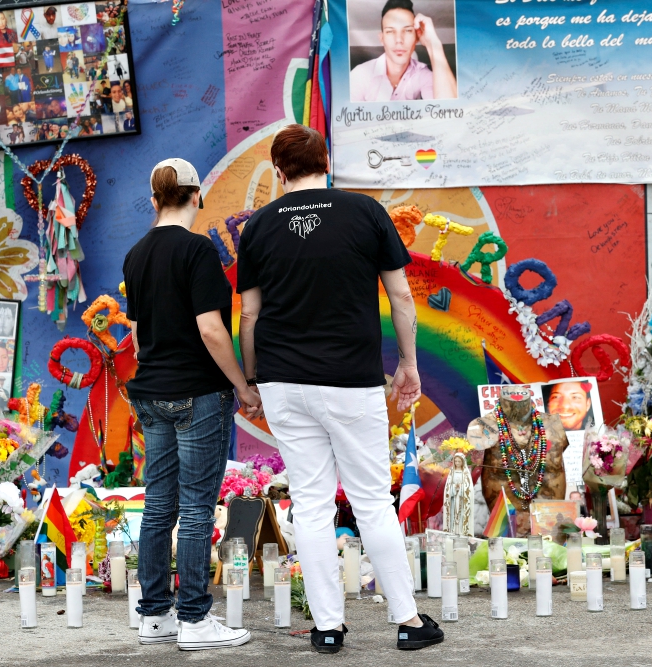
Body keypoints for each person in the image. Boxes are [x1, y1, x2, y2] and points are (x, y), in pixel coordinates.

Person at [237, 125, 442, 652]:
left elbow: (250, 313)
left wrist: (255, 379)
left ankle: (328, 628)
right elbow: (401, 297)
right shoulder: (364, 212)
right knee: (372, 500)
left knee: (309, 505)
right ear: (325, 162)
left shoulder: (257, 227)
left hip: (284, 381)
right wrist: (409, 366)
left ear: (279, 172)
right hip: (350, 380)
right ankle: (408, 621)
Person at [122, 158, 262, 650]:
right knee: (198, 508)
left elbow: (137, 340)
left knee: (158, 506)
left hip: (152, 393)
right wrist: (243, 386)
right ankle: (196, 620)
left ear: (155, 199)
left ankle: (154, 615)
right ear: (197, 196)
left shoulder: (136, 255)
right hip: (198, 393)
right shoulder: (199, 251)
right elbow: (210, 329)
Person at [349, 0, 456, 102]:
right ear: (382, 39)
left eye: (408, 30)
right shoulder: (360, 75)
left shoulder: (423, 74)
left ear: (416, 38)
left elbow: (450, 111)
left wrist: (434, 44)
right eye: (390, 31)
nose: (399, 40)